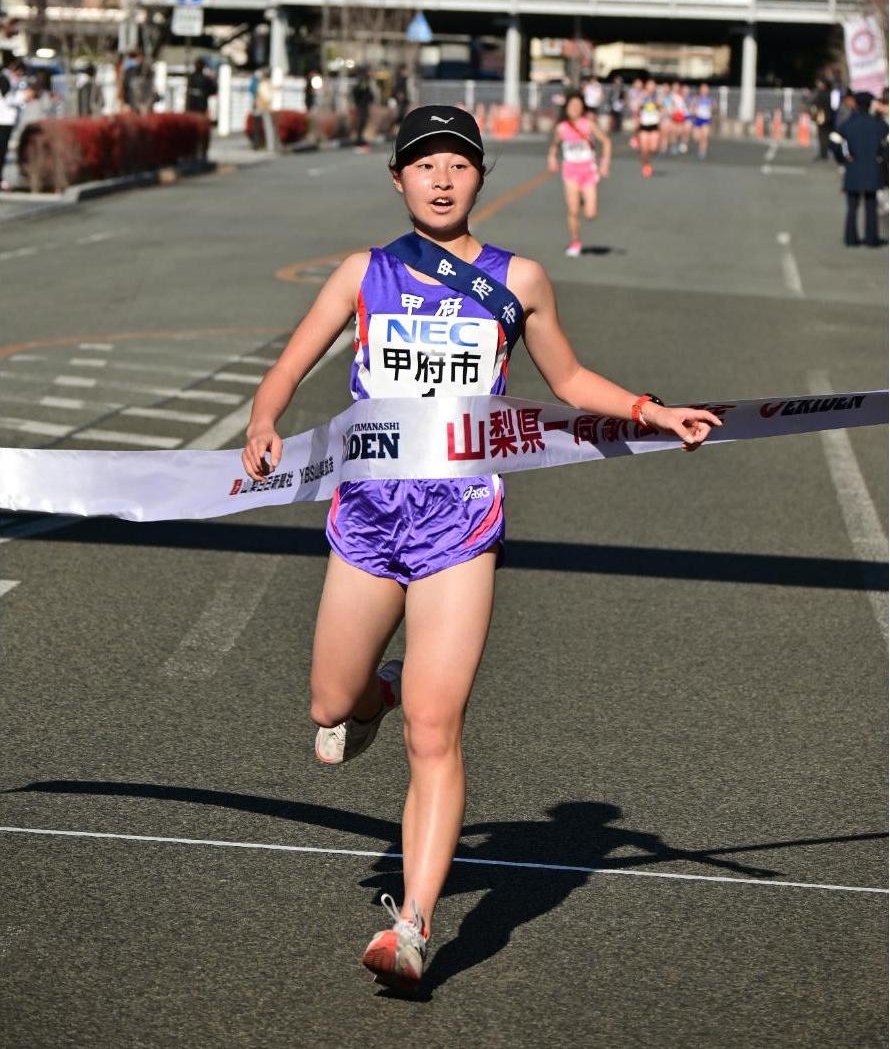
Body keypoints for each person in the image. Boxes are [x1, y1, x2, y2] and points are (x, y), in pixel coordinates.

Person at [239, 104, 721, 995]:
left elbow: (569, 380)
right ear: (398, 178)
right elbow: (290, 363)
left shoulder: (520, 278)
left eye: (458, 163)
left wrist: (654, 412)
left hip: (460, 519)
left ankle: (415, 926)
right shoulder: (364, 272)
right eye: (424, 164)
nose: (441, 178)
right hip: (369, 512)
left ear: (479, 178)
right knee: (329, 702)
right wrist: (266, 420)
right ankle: (372, 696)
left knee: (437, 725)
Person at [547, 89, 612, 256]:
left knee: (591, 214)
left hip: (588, 170)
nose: (575, 108)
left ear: (582, 107)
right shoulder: (561, 128)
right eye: (572, 105)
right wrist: (552, 157)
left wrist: (604, 163)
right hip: (571, 171)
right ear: (567, 107)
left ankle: (583, 198)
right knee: (573, 211)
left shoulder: (588, 124)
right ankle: (575, 242)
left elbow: (606, 141)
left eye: (578, 105)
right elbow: (554, 145)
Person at [832, 92, 889, 248]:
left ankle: (851, 238)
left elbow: (835, 144)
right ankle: (871, 239)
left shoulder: (847, 125)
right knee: (871, 206)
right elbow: (886, 149)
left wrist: (844, 159)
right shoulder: (880, 126)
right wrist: (882, 162)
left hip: (853, 168)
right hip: (873, 168)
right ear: (870, 105)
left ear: (855, 105)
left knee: (852, 206)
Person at [0, 58, 25, 191]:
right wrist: (23, 97)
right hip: (2, 121)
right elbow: (8, 99)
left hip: (7, 121)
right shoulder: (4, 79)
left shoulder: (12, 81)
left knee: (3, 152)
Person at [637, 78, 661, 177]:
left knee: (653, 148)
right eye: (649, 85)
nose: (651, 87)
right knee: (644, 149)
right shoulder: (642, 96)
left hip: (654, 125)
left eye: (653, 85)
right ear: (646, 86)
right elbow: (636, 108)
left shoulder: (657, 96)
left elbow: (661, 107)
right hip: (644, 126)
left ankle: (648, 161)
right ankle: (646, 165)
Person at [811, 77, 833, 160]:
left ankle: (823, 153)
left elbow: (814, 103)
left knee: (822, 135)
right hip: (828, 116)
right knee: (825, 135)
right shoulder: (830, 93)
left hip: (822, 116)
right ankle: (824, 153)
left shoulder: (821, 93)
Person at [353, 68, 375, 150]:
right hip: (362, 104)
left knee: (363, 121)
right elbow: (362, 91)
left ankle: (360, 138)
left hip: (362, 104)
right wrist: (367, 98)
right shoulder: (363, 80)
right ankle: (359, 140)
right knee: (361, 121)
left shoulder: (364, 79)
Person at [690, 84, 713, 160]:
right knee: (696, 137)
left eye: (706, 89)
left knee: (705, 136)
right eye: (703, 89)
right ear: (700, 90)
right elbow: (692, 108)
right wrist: (693, 112)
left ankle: (702, 151)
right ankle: (701, 145)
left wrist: (712, 108)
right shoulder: (696, 99)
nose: (704, 91)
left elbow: (714, 109)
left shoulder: (710, 100)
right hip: (697, 119)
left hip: (706, 120)